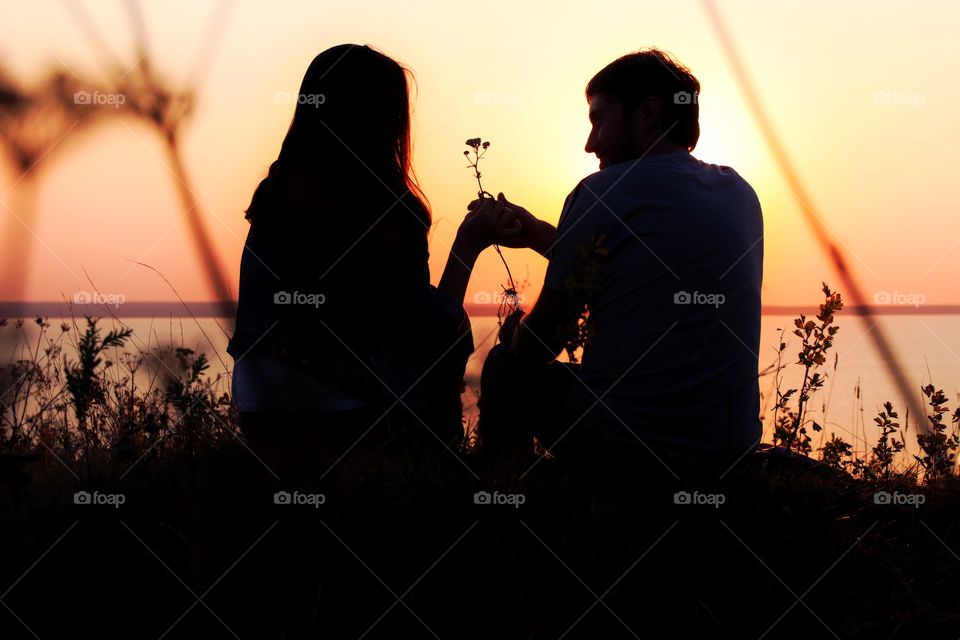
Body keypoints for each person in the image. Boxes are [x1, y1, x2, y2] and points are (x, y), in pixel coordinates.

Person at [226, 44, 519, 480]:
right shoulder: (387, 208)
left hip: (261, 417)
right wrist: (467, 245)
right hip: (348, 424)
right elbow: (430, 333)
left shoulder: (274, 196)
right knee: (461, 330)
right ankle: (450, 470)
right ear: (384, 121)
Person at [475, 48, 764, 466]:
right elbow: (643, 270)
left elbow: (544, 341)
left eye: (599, 120)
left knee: (506, 364)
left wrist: (514, 336)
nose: (590, 143)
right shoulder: (740, 193)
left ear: (647, 114)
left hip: (627, 449)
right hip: (728, 451)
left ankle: (506, 498)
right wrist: (542, 234)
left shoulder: (599, 193)